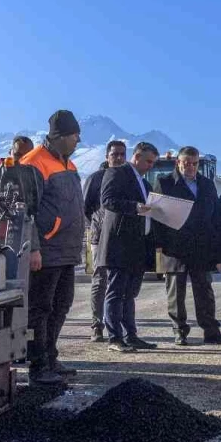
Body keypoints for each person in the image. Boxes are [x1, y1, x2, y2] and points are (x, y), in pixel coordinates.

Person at [21, 110, 87, 385]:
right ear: (59, 136)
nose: (78, 141)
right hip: (45, 251)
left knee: (62, 305)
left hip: (66, 251)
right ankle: (38, 366)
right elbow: (24, 210)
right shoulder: (33, 163)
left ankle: (50, 357)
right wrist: (33, 247)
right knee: (40, 308)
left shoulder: (69, 165)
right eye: (74, 136)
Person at [154, 145, 221, 346]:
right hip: (174, 248)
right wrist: (159, 247)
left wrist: (218, 249)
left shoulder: (207, 184)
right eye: (186, 163)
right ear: (178, 162)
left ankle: (211, 331)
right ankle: (179, 331)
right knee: (176, 293)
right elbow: (157, 218)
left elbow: (216, 217)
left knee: (204, 290)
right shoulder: (164, 183)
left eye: (194, 163)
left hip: (201, 246)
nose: (190, 167)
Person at [96, 141, 159, 353]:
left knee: (130, 294)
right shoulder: (117, 173)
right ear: (137, 156)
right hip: (119, 245)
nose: (151, 166)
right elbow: (108, 200)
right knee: (115, 292)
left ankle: (131, 335)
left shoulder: (145, 184)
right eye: (148, 161)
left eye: (153, 162)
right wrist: (135, 207)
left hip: (137, 246)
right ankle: (115, 337)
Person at [82, 140, 127, 342]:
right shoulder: (96, 178)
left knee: (119, 283)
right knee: (100, 280)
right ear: (107, 156)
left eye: (121, 154)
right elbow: (85, 207)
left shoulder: (128, 178)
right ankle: (96, 325)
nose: (118, 158)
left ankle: (116, 326)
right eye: (114, 154)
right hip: (99, 235)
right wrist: (97, 224)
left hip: (122, 237)